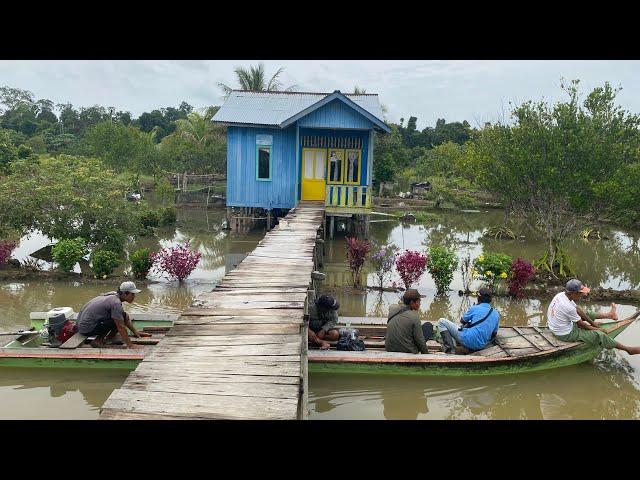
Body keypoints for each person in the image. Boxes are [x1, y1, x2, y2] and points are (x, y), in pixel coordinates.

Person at [547, 278, 640, 355]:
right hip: (564, 334)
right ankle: (628, 350)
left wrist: (593, 323)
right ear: (573, 293)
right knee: (599, 335)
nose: (582, 295)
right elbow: (581, 325)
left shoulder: (561, 295)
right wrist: (597, 329)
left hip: (556, 327)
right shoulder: (566, 306)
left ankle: (610, 315)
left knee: (584, 312)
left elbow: (578, 310)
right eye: (580, 293)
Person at [76, 281, 151, 349]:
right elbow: (121, 326)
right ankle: (98, 341)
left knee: (121, 316)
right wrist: (130, 345)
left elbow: (124, 316)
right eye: (132, 294)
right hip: (86, 328)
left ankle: (109, 338)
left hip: (82, 325)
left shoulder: (113, 294)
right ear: (125, 293)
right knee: (117, 321)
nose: (134, 297)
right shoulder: (116, 303)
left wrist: (135, 332)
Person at [436, 287, 500, 354]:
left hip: (468, 339)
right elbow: (494, 334)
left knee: (441, 321)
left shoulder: (475, 308)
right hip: (482, 345)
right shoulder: (496, 313)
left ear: (479, 298)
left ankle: (450, 350)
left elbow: (462, 321)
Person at [385, 289, 433, 354]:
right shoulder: (414, 316)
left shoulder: (393, 310)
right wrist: (426, 354)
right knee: (428, 326)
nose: (420, 303)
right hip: (408, 351)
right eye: (418, 301)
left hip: (389, 348)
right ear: (412, 302)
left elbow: (393, 306)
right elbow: (420, 340)